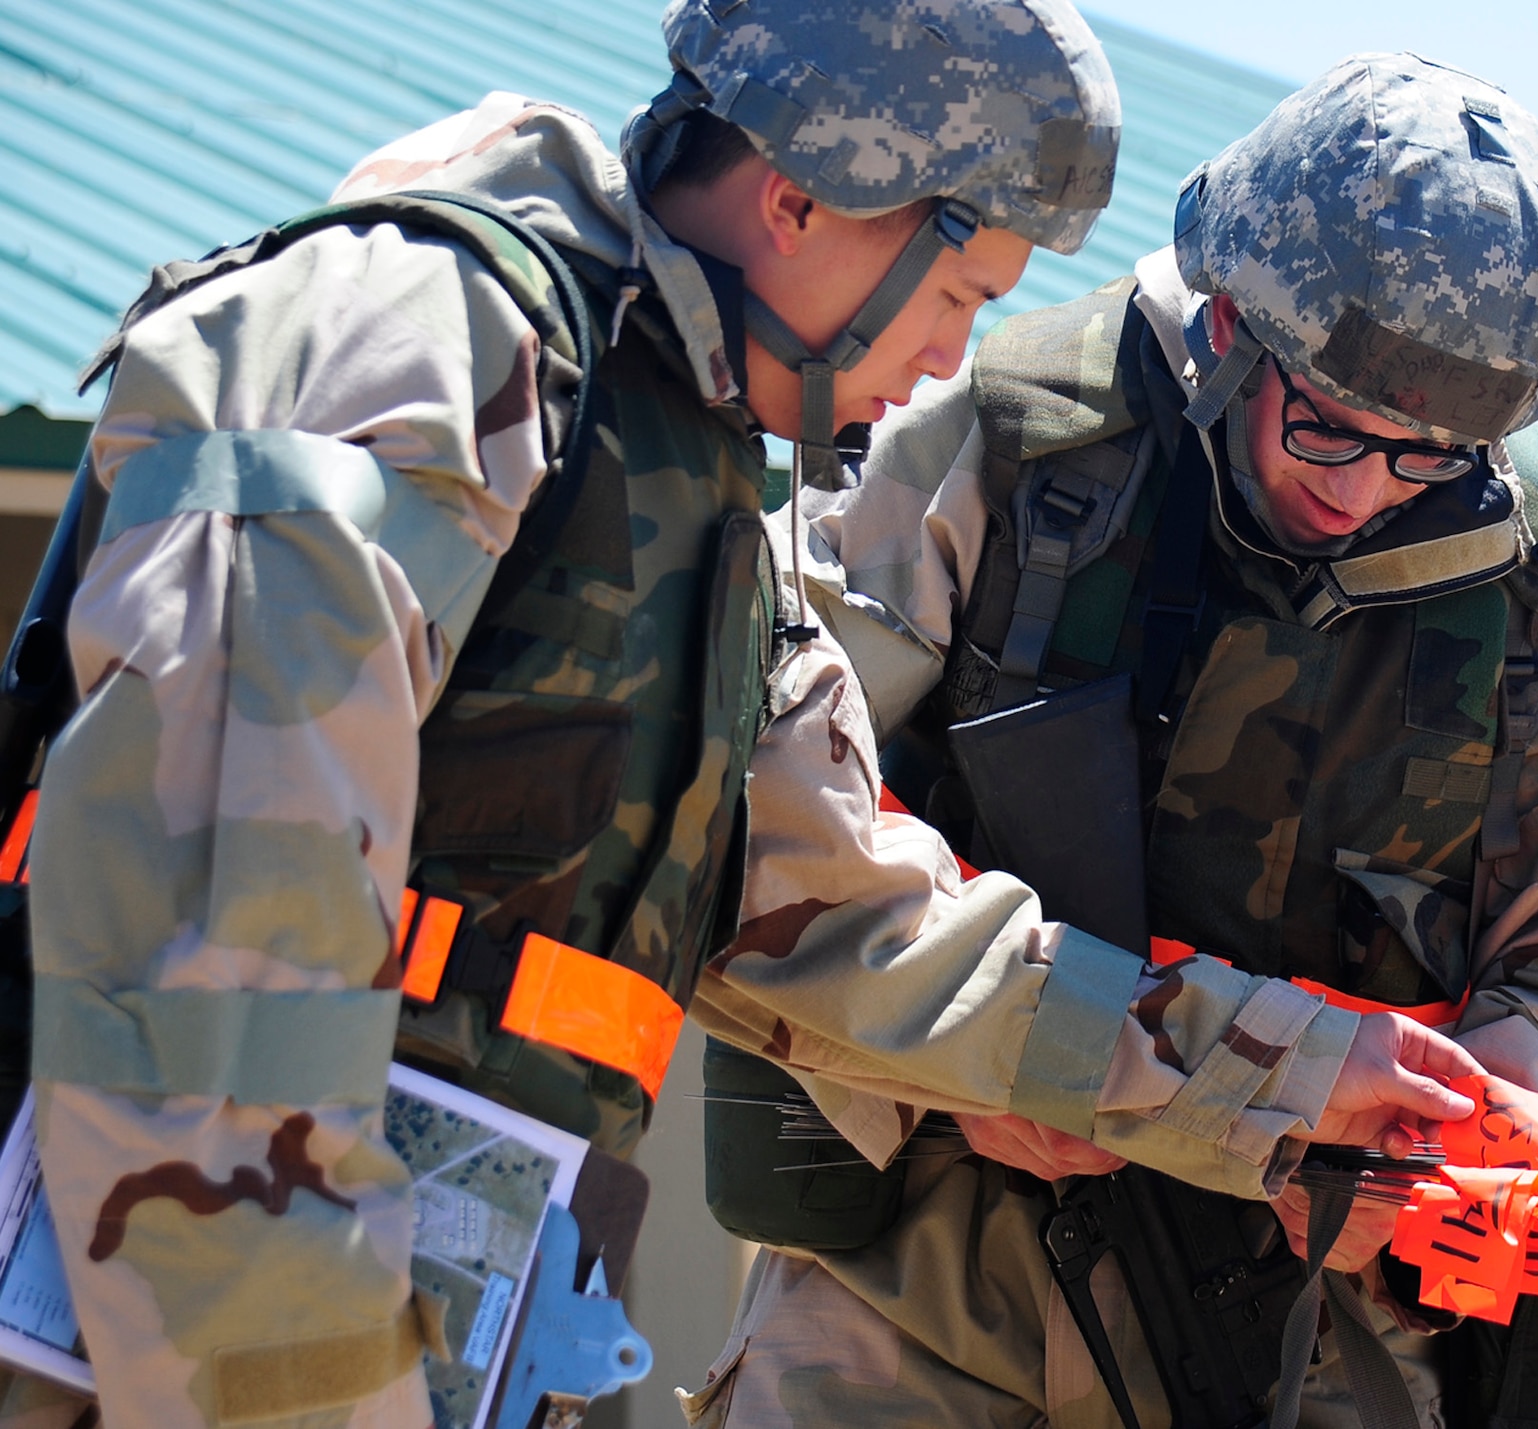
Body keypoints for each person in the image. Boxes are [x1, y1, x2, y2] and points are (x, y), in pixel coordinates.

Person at [19, 3, 1119, 1425]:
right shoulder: (428, 347)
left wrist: (1291, 1087)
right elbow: (203, 987)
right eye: (959, 295)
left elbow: (862, 915)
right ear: (798, 201)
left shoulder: (693, 473)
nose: (949, 357)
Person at [686, 53, 1538, 1428]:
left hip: (1317, 1323)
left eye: (1423, 455)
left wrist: (1489, 1112)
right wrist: (959, 1078)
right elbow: (758, 825)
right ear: (1230, 325)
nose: (1364, 488)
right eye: (1326, 426)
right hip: (931, 1292)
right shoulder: (996, 441)